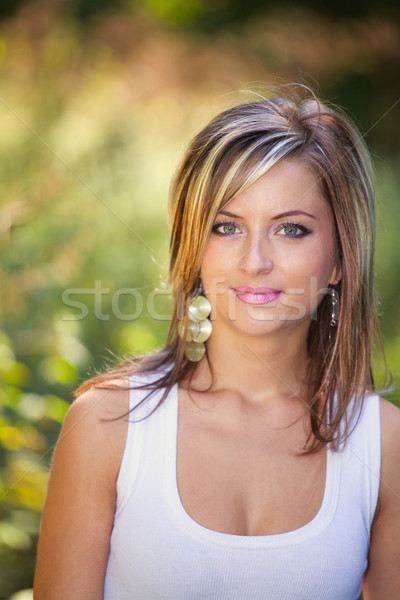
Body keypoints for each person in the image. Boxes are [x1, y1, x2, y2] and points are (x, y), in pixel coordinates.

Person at [34, 88, 400, 599]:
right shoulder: (108, 425)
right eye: (226, 227)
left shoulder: (383, 443)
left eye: (291, 229)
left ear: (340, 259)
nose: (254, 261)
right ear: (194, 247)